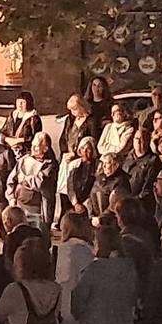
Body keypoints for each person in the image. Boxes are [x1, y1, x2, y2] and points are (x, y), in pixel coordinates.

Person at [113, 199, 157, 324]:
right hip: (145, 297)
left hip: (132, 302)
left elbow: (127, 273)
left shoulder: (126, 242)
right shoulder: (144, 236)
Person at [56, 95, 102, 229]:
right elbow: (63, 138)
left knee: (76, 187)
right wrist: (65, 152)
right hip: (67, 158)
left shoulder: (91, 121)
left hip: (80, 159)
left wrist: (77, 154)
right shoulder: (70, 120)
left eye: (75, 109)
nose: (73, 112)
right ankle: (64, 219)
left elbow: (92, 141)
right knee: (64, 189)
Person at [6, 131, 56, 228]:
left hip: (38, 210)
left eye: (37, 145)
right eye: (33, 144)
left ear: (45, 148)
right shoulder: (24, 160)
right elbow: (11, 180)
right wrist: (11, 198)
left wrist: (23, 178)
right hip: (19, 205)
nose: (33, 148)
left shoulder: (49, 165)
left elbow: (39, 183)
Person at [125, 126, 162, 216]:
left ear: (148, 141)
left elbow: (147, 189)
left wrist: (132, 203)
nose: (138, 142)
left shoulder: (153, 160)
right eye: (136, 139)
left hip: (139, 205)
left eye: (142, 139)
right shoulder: (128, 157)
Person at [0, 90, 42, 158]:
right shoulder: (12, 115)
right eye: (18, 101)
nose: (20, 104)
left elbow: (35, 137)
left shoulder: (34, 119)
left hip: (26, 151)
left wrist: (17, 141)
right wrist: (7, 139)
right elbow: (3, 131)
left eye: (23, 102)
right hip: (9, 148)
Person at [88, 151, 131, 218]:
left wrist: (101, 219)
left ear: (116, 165)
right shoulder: (100, 177)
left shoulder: (122, 181)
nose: (104, 166)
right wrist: (91, 216)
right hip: (96, 219)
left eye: (107, 163)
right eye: (103, 163)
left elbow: (114, 205)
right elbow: (91, 195)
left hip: (111, 221)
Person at [1, 206, 43, 272]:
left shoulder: (11, 238)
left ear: (8, 222)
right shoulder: (37, 232)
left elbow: (7, 264)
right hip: (40, 271)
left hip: (20, 274)